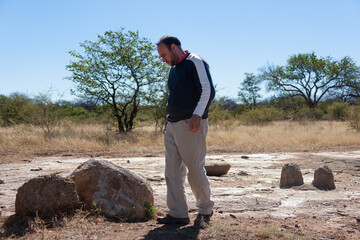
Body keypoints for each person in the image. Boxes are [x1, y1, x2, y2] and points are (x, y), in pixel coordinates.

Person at [156, 36, 215, 227]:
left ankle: (205, 210)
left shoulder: (195, 62)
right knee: (171, 172)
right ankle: (178, 212)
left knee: (195, 170)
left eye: (164, 54)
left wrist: (197, 115)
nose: (162, 59)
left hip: (191, 124)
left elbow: (208, 90)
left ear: (174, 47)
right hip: (172, 124)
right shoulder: (173, 69)